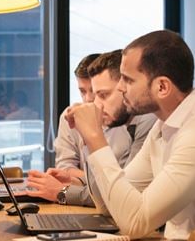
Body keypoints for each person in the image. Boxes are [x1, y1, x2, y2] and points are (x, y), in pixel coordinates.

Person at [67, 30, 195, 241]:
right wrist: (89, 139)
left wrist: (95, 137)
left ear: (162, 87)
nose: (120, 88)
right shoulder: (164, 126)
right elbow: (109, 205)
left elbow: (134, 222)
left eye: (128, 80)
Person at [27, 51, 155, 206]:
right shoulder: (78, 115)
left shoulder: (147, 121)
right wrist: (79, 180)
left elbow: (119, 191)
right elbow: (110, 187)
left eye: (102, 94)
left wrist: (63, 192)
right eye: (83, 91)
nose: (90, 100)